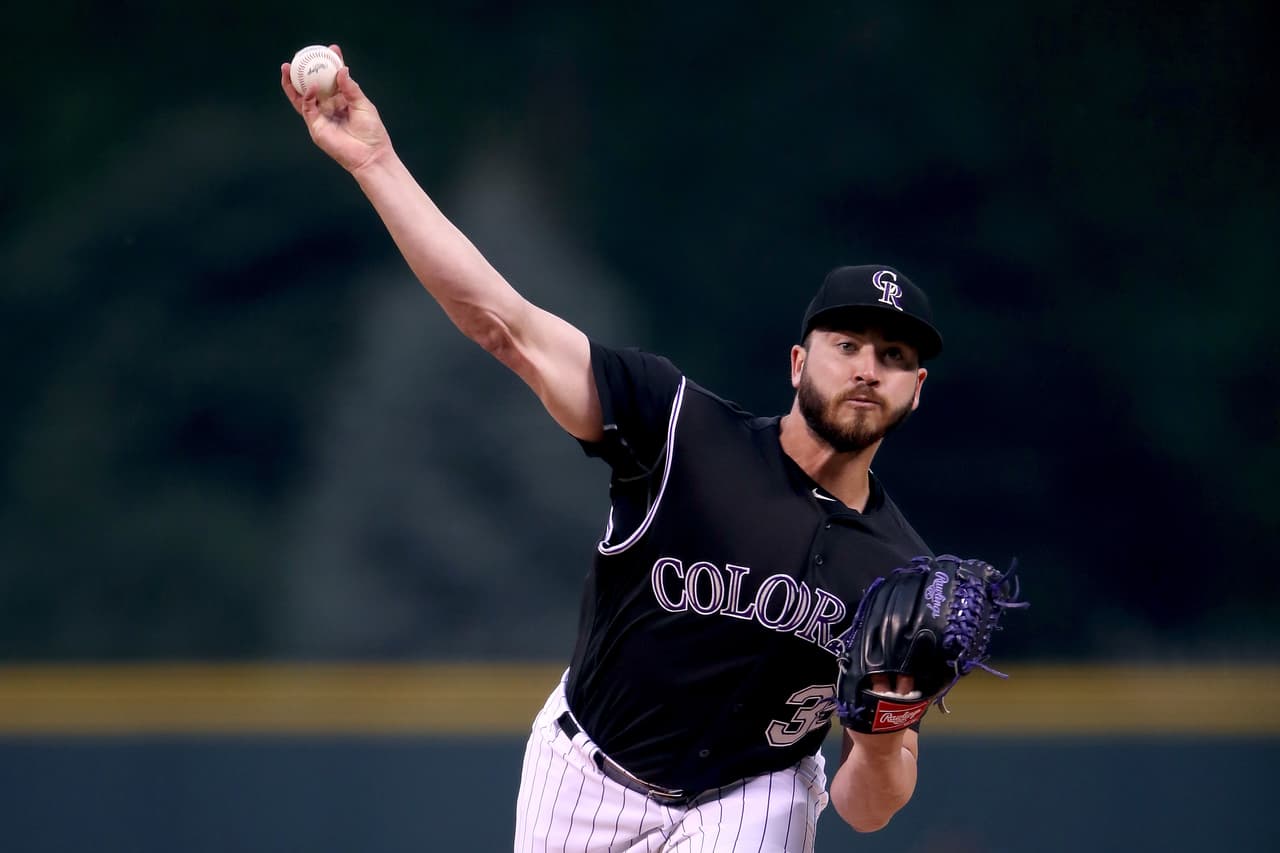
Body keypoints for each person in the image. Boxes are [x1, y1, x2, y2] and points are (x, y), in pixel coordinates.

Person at [281, 46, 942, 852]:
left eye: (897, 357)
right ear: (800, 362)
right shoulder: (681, 430)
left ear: (917, 390)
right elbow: (507, 325)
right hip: (587, 771)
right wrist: (377, 162)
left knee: (773, 799)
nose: (870, 369)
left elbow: (869, 803)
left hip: (753, 794)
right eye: (850, 344)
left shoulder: (902, 574)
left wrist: (881, 735)